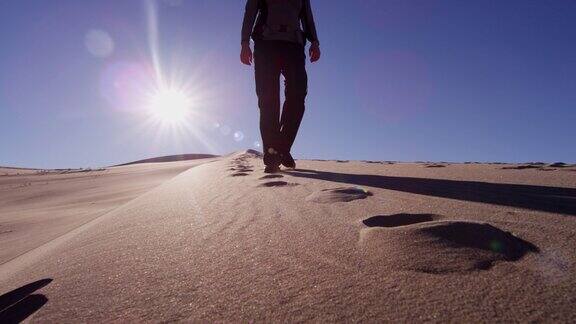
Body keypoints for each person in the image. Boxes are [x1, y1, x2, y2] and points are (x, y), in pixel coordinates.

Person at [240, 0, 321, 173]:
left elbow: (307, 17)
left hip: (294, 45)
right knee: (268, 99)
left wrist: (314, 41)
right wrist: (244, 42)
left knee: (298, 93)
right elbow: (250, 12)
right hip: (266, 43)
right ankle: (272, 154)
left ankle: (282, 147)